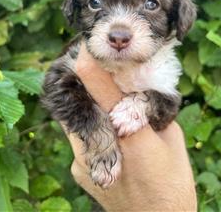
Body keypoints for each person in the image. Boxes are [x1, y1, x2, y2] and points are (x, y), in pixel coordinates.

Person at [64, 44, 197, 212]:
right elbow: (57, 88)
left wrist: (142, 104)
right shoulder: (80, 61)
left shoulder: (160, 71)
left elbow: (167, 109)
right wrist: (100, 140)